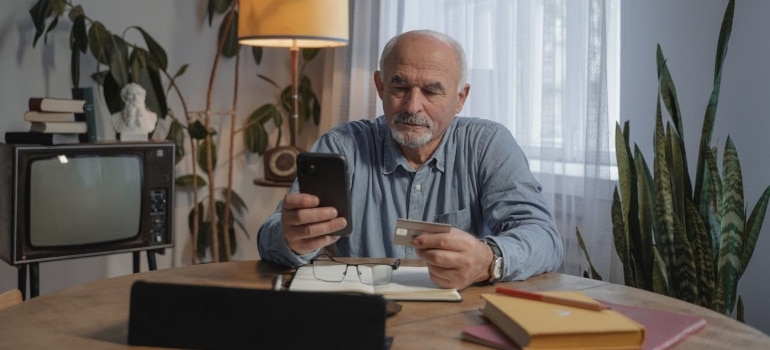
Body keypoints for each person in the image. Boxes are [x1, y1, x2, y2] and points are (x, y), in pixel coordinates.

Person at [257, 30, 563, 289]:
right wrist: (291, 238)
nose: (412, 106)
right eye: (400, 87)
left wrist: (489, 260)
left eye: (432, 91)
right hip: (365, 314)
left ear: (460, 98)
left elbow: (544, 238)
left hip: (459, 317)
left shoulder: (487, 145)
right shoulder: (342, 146)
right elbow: (271, 235)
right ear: (380, 86)